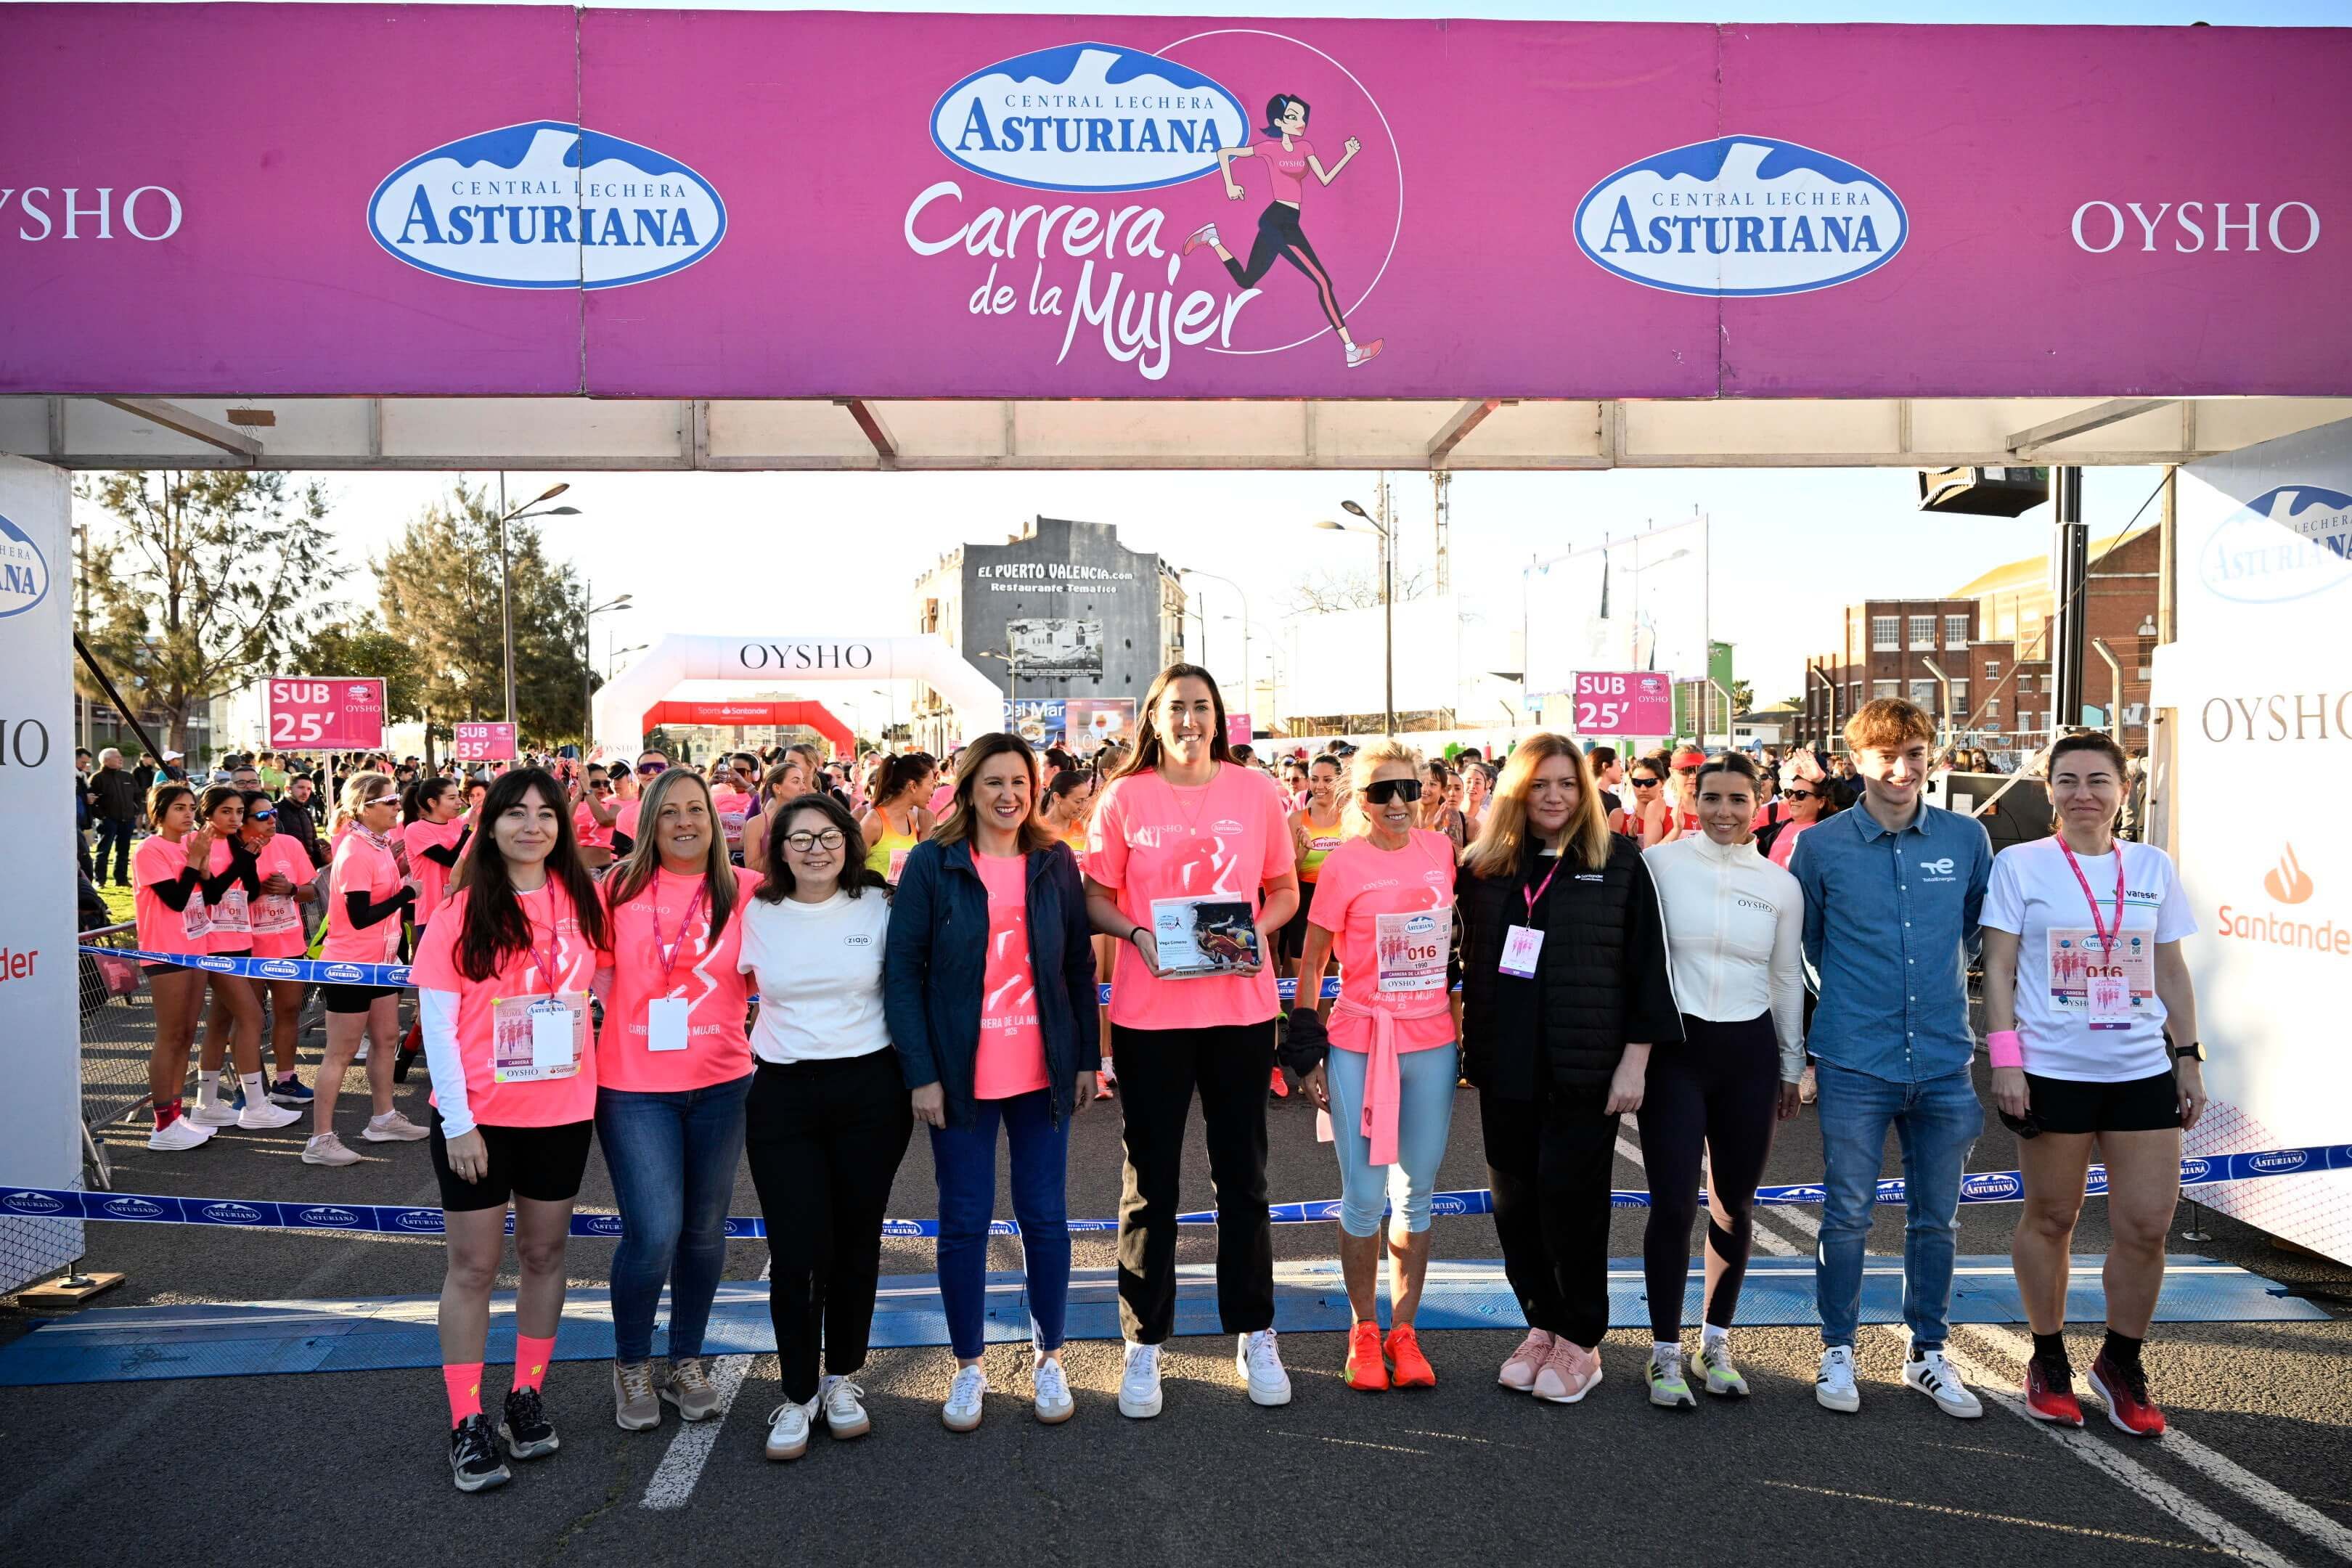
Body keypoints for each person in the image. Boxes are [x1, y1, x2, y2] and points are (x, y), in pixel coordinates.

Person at [1084, 664, 1300, 1419]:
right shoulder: (1124, 798)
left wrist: (1247, 934)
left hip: (1240, 1011)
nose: (1190, 720)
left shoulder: (1255, 792)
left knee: (1244, 1179)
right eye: (1176, 707)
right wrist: (1138, 934)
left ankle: (1255, 1329)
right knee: (1151, 1186)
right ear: (1154, 716)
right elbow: (1095, 897)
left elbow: (1284, 892)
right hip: (1151, 1018)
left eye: (1202, 707)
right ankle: (1145, 1343)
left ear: (1219, 718)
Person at [1982, 731, 2204, 1437]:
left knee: (2148, 1224)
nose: (2084, 794)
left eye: (2099, 781)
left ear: (2124, 792)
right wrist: (2006, 1061)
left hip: (2140, 1068)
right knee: (2052, 1218)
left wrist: (2189, 1055)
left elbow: (2171, 970)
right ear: (2049, 790)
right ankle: (2048, 1360)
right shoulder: (2021, 866)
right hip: (2053, 1068)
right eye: (2069, 780)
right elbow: (1999, 972)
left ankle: (2120, 1362)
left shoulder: (2153, 867)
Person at [1458, 732, 1679, 1405]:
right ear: (1516, 791)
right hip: (1505, 1066)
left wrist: (1635, 1063)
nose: (1554, 796)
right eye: (1540, 783)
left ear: (1584, 792)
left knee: (1573, 1202)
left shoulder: (1618, 863)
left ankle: (1581, 1338)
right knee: (1515, 1205)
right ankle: (1541, 1324)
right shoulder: (1483, 869)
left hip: (1584, 1067)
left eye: (1567, 783)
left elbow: (1647, 971)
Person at [886, 734, 1098, 1432]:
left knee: (1045, 1218)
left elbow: (1075, 967)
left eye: (1020, 783)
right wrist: (922, 1075)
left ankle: (1049, 1357)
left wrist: (1087, 1060)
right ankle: (968, 1365)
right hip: (960, 1077)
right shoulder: (931, 863)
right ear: (968, 788)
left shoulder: (1054, 861)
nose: (1008, 796)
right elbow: (903, 975)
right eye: (994, 783)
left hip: (1042, 1073)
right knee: (964, 1222)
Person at [411, 768, 611, 1493]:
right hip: (478, 1121)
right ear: (490, 826)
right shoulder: (460, 910)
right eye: (516, 813)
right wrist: (459, 1123)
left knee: (544, 1255)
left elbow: (610, 981)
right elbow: (436, 1023)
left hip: (561, 1113)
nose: (533, 825)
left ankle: (526, 1395)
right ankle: (467, 1421)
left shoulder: (584, 900)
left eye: (546, 814)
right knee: (471, 1269)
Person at [1793, 698, 1993, 1419]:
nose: (1902, 769)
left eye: (1915, 753)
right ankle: (1837, 1349)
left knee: (1937, 1218)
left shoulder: (1968, 840)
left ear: (1933, 756)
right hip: (1855, 1057)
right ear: (1857, 763)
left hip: (1943, 1058)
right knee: (1846, 1213)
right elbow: (1804, 948)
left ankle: (1927, 1354)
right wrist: (1829, 1028)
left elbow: (1974, 935)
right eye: (1886, 755)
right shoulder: (1819, 847)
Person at [1282, 740, 1458, 1392]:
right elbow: (1313, 960)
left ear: (1425, 792)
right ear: (1361, 800)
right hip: (1360, 1039)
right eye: (1381, 791)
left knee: (1416, 1195)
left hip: (1432, 1042)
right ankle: (1363, 1329)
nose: (1397, 803)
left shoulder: (1442, 851)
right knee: (1363, 1197)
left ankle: (1405, 1332)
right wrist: (1304, 1040)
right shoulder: (1344, 864)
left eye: (1407, 789)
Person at [739, 792, 908, 1462]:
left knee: (856, 1241)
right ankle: (798, 1391)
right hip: (782, 1092)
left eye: (829, 835)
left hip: (871, 1090)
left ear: (850, 840)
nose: (817, 848)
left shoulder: (881, 905)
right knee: (797, 1248)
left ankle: (842, 1378)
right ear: (779, 849)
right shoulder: (754, 911)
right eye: (801, 838)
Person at [597, 767, 761, 1432]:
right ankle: (632, 1362)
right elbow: (591, 972)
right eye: (670, 812)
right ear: (650, 822)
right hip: (634, 1087)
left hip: (723, 1081)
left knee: (702, 1233)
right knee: (653, 1231)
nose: (685, 822)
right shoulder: (616, 887)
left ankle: (684, 1360)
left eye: (696, 810)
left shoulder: (747, 889)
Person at [1638, 753, 1805, 1407]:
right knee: (1675, 1205)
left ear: (1760, 802)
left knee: (1736, 1205)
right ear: (1692, 798)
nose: (1725, 812)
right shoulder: (1660, 866)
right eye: (1712, 798)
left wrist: (1792, 1065)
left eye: (1739, 799)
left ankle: (1716, 1342)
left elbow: (1787, 979)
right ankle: (1662, 1352)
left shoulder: (1779, 884)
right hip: (1676, 1052)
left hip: (1750, 1052)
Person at [1183, 92, 1383, 369]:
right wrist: (1230, 184)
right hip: (1277, 220)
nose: (1299, 122)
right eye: (1292, 117)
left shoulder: (1306, 148)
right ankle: (1351, 350)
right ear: (1279, 121)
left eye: (1302, 117)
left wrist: (1347, 155)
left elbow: (1324, 179)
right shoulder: (1268, 149)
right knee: (1323, 282)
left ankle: (1212, 239)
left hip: (1289, 221)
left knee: (1246, 280)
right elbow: (1224, 153)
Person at [306, 773, 428, 1167]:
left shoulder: (377, 846)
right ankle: (320, 1139)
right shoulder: (356, 850)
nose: (398, 806)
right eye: (391, 801)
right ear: (365, 806)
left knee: (387, 1037)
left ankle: (384, 1117)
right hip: (350, 965)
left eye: (397, 799)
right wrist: (406, 895)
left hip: (381, 962)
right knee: (340, 1053)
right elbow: (359, 917)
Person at [187, 786, 302, 1132]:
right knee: (251, 1017)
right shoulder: (198, 842)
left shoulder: (236, 844)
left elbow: (249, 890)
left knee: (222, 1023)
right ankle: (254, 1104)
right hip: (213, 941)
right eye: (227, 812)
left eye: (239, 812)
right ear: (208, 813)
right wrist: (240, 860)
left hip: (241, 940)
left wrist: (248, 856)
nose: (235, 819)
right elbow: (212, 892)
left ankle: (205, 1103)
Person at [132, 783, 221, 1151]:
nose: (188, 814)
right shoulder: (149, 849)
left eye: (190, 807)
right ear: (160, 813)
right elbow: (175, 899)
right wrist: (193, 859)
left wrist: (200, 860)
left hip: (195, 947)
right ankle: (162, 1123)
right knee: (169, 1035)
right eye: (179, 808)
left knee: (186, 1033)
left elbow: (212, 894)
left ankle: (176, 1112)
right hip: (166, 953)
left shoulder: (190, 845)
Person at [235, 790, 320, 1106]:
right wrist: (257, 890)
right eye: (262, 816)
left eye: (273, 813)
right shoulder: (234, 850)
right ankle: (250, 1089)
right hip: (247, 949)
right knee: (249, 1019)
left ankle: (285, 1081)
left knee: (287, 1012)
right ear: (243, 822)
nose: (272, 820)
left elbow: (311, 891)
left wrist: (292, 889)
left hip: (288, 945)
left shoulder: (290, 844)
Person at [1037, 767, 1114, 1098]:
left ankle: (1105, 1060)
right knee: (1071, 989)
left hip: (1090, 917)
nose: (1084, 807)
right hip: (1056, 922)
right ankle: (1079, 1061)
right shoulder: (1037, 832)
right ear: (1056, 797)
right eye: (1078, 801)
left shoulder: (1088, 828)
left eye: (1088, 800)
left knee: (1101, 986)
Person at [860, 754, 935, 886]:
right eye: (930, 784)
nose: (933, 791)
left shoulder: (911, 818)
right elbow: (851, 870)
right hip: (875, 903)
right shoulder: (873, 821)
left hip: (904, 903)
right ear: (913, 786)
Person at [88, 748, 143, 887]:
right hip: (108, 821)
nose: (121, 759)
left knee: (123, 851)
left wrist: (135, 812)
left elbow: (137, 795)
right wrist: (103, 816)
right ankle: (100, 880)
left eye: (121, 756)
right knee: (103, 851)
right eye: (117, 757)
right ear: (106, 761)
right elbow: (91, 801)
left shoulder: (127, 776)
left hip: (127, 820)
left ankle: (122, 879)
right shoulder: (97, 778)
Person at [1418, 758, 1469, 849]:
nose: (1424, 788)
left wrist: (1439, 831)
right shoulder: (1405, 815)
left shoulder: (1452, 818)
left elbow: (1458, 858)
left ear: (1443, 789)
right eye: (1421, 783)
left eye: (1432, 784)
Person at [1611, 758, 1663, 840]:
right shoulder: (1619, 816)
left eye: (1650, 782)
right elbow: (1613, 851)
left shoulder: (1674, 816)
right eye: (1637, 782)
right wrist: (1630, 837)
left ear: (1662, 783)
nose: (1643, 789)